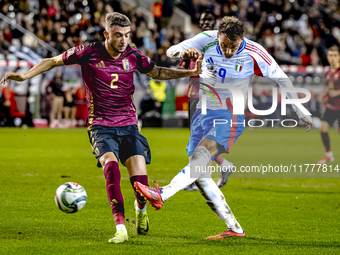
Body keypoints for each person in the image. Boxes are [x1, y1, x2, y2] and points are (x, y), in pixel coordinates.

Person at [1, 12, 202, 243]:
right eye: (118, 35)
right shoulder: (88, 52)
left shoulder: (132, 55)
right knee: (111, 167)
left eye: (127, 35)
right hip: (100, 125)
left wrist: (189, 72)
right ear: (107, 34)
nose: (123, 40)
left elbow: (156, 71)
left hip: (128, 124)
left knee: (141, 185)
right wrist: (25, 76)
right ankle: (120, 228)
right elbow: (52, 61)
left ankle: (141, 210)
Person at [134, 16, 313, 240]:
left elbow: (282, 78)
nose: (228, 51)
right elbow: (171, 51)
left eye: (233, 46)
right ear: (218, 35)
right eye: (224, 45)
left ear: (242, 40)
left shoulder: (255, 52)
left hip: (231, 113)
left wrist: (301, 111)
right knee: (200, 174)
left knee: (201, 156)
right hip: (203, 112)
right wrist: (184, 52)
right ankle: (235, 228)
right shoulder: (206, 40)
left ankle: (162, 193)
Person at [181, 10, 234, 191]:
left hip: (209, 96)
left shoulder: (221, 46)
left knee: (201, 138)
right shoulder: (192, 44)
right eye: (203, 19)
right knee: (199, 137)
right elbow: (182, 67)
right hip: (193, 95)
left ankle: (199, 179)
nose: (206, 22)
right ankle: (223, 165)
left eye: (210, 20)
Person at [317, 46, 340, 164]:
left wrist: (337, 92)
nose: (332, 58)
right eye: (330, 55)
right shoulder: (329, 72)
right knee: (323, 128)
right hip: (332, 106)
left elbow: (335, 90)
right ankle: (329, 154)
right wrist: (323, 94)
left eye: (335, 55)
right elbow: (329, 88)